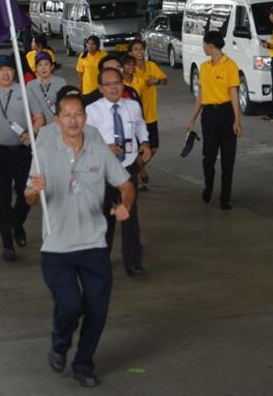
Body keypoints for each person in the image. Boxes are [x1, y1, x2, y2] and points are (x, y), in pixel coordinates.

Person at [25, 87, 134, 388]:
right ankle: (60, 343)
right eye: (66, 115)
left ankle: (83, 363)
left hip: (94, 245)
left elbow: (125, 184)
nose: (73, 120)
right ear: (57, 119)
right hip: (56, 248)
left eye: (78, 115)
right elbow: (29, 197)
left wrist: (125, 205)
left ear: (85, 118)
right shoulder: (44, 151)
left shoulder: (98, 149)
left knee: (97, 311)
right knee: (71, 306)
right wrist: (36, 191)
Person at [0, 54, 45, 261]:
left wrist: (32, 133)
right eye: (1, 70)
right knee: (1, 199)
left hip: (23, 152)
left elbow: (40, 117)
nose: (6, 73)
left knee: (26, 195)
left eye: (9, 69)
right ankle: (7, 244)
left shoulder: (26, 92)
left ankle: (17, 224)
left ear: (14, 72)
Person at [85, 68, 151, 277]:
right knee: (106, 217)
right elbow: (84, 141)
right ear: (100, 88)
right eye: (108, 84)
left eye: (117, 82)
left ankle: (133, 263)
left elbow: (140, 125)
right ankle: (101, 261)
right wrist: (105, 148)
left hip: (128, 167)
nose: (114, 87)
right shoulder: (92, 111)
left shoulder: (132, 106)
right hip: (104, 171)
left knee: (130, 215)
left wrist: (146, 143)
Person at [186, 31, 244, 210]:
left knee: (228, 160)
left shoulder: (230, 66)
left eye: (204, 44)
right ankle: (208, 186)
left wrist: (237, 120)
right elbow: (201, 96)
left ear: (210, 45)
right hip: (209, 117)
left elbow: (234, 93)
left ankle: (225, 197)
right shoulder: (204, 67)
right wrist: (192, 119)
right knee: (208, 157)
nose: (203, 47)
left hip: (226, 114)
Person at [129, 38, 167, 190]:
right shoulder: (131, 71)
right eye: (136, 49)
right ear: (130, 53)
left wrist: (156, 81)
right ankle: (138, 177)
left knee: (154, 148)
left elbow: (165, 80)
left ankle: (137, 169)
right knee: (138, 149)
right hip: (137, 118)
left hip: (151, 114)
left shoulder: (151, 66)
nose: (139, 52)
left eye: (141, 49)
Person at [26, 52, 67, 123]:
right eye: (40, 65)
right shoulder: (30, 85)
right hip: (40, 126)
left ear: (51, 67)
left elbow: (67, 105)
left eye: (46, 64)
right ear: (36, 68)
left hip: (59, 124)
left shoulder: (61, 82)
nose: (43, 68)